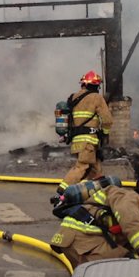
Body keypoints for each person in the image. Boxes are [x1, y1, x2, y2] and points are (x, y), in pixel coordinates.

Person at [54, 70, 113, 202]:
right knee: (82, 167)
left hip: (76, 141)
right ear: (96, 86)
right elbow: (108, 120)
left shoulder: (73, 98)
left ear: (83, 85)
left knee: (96, 170)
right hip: (88, 141)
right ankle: (61, 193)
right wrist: (105, 133)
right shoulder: (96, 98)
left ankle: (99, 197)